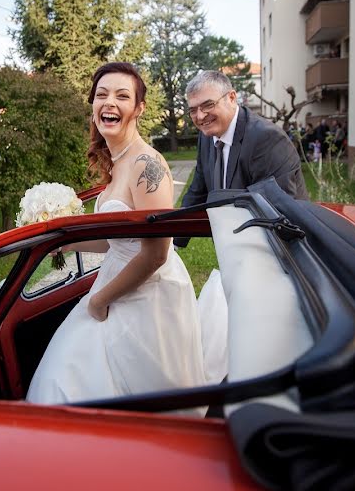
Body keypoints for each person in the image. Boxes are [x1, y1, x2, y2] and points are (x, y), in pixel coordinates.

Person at [26, 62, 212, 405]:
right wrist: (63, 242)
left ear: (138, 108)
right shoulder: (118, 163)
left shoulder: (147, 165)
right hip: (118, 278)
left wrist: (99, 300)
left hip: (146, 294)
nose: (109, 102)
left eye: (122, 96)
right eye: (101, 95)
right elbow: (118, 239)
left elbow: (156, 253)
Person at [179, 71, 309, 214]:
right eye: (192, 110)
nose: (200, 116)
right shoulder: (206, 136)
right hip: (230, 231)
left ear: (232, 98)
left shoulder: (267, 139)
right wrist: (173, 235)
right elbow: (197, 194)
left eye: (208, 105)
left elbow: (273, 211)